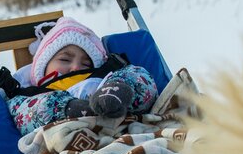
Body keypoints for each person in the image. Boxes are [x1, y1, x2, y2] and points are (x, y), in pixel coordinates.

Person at [8, 16, 158, 135]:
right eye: (65, 60)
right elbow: (23, 117)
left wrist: (118, 90)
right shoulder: (28, 95)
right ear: (42, 67)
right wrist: (65, 108)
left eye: (86, 64)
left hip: (123, 134)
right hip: (70, 149)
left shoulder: (105, 78)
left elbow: (143, 80)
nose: (75, 67)